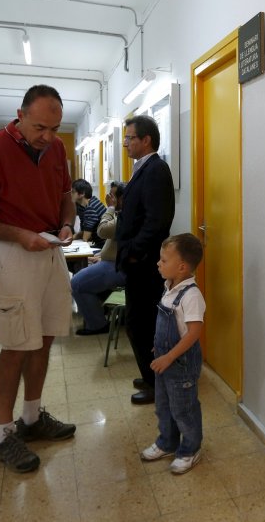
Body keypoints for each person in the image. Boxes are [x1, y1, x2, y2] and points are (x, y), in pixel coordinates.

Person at [0, 84, 78, 473]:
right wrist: (18, 234)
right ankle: (4, 434)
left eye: (55, 128)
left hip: (49, 250)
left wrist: (65, 224)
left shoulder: (56, 149)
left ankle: (31, 418)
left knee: (44, 338)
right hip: (13, 252)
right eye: (40, 127)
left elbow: (66, 195)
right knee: (16, 344)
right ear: (20, 114)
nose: (47, 137)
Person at [115, 115, 175, 404]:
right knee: (141, 323)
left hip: (146, 264)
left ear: (145, 140)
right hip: (138, 262)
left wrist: (134, 253)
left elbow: (157, 222)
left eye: (130, 138)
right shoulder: (143, 169)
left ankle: (155, 383)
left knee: (142, 324)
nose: (125, 143)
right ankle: (150, 374)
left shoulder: (156, 170)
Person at [140, 233, 206, 474]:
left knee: (183, 409)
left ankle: (190, 448)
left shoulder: (191, 296)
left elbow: (193, 333)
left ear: (181, 267)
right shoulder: (169, 288)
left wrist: (169, 356)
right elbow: (170, 327)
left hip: (180, 364)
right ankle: (167, 442)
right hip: (165, 361)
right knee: (164, 405)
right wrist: (161, 347)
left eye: (163, 260)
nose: (158, 263)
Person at [71, 181, 126, 335]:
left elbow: (103, 231)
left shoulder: (125, 215)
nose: (109, 198)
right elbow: (113, 242)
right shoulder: (121, 214)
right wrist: (101, 255)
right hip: (109, 260)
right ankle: (98, 313)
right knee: (81, 270)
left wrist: (110, 208)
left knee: (76, 283)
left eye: (113, 195)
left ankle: (97, 324)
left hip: (117, 266)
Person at [71, 178, 106, 246]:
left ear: (82, 194)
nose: (71, 194)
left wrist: (72, 237)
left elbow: (86, 238)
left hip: (102, 246)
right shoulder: (90, 203)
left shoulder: (90, 208)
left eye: (73, 192)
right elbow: (84, 231)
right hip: (101, 244)